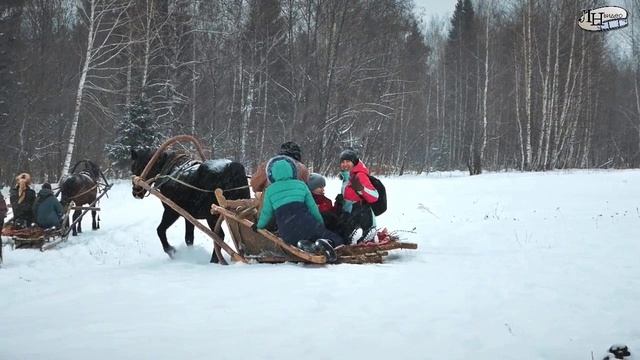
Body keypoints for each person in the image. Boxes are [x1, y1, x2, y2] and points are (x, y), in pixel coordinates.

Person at [253, 155, 344, 262]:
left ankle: (305, 245)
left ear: (271, 174)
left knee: (296, 238)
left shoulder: (270, 190)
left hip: (287, 232)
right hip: (308, 225)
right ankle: (327, 243)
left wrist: (258, 226)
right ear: (292, 171)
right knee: (337, 239)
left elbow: (266, 213)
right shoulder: (301, 185)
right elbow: (313, 209)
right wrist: (320, 225)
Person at [337, 148, 379, 244]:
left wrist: (362, 189)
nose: (345, 164)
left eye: (348, 161)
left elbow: (375, 196)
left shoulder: (359, 175)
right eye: (342, 162)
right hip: (350, 216)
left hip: (361, 216)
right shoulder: (346, 177)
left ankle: (365, 234)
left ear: (354, 162)